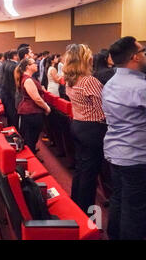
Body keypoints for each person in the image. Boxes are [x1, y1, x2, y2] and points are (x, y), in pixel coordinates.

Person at [102, 36, 146, 240]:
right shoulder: (140, 88)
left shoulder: (111, 83)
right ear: (135, 57)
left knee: (119, 198)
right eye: (143, 52)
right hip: (135, 156)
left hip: (115, 152)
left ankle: (114, 235)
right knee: (135, 209)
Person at [63, 44, 106, 215]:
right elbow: (103, 111)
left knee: (81, 169)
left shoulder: (70, 79)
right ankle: (85, 214)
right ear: (85, 59)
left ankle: (76, 205)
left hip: (78, 125)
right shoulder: (89, 81)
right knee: (89, 174)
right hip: (92, 129)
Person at [15, 58, 51, 155]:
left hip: (30, 111)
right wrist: (47, 107)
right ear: (28, 67)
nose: (36, 65)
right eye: (33, 63)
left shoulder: (28, 78)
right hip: (31, 112)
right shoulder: (28, 80)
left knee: (31, 137)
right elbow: (36, 98)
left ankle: (31, 155)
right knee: (30, 138)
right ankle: (30, 159)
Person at [0, 50, 19, 127]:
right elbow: (13, 82)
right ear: (15, 56)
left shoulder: (5, 63)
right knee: (13, 116)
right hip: (11, 93)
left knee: (10, 115)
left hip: (5, 92)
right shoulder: (14, 66)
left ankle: (11, 128)